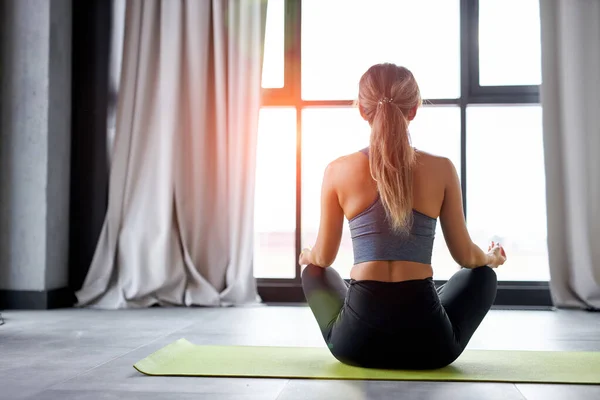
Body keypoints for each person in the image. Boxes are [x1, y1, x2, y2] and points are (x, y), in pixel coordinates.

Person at [298, 63, 507, 370]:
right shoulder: (442, 169)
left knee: (313, 272)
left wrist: (308, 254)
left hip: (355, 345)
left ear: (362, 111)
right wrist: (491, 258)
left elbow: (323, 258)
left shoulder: (337, 170)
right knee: (482, 277)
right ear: (414, 109)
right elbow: (466, 257)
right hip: (429, 346)